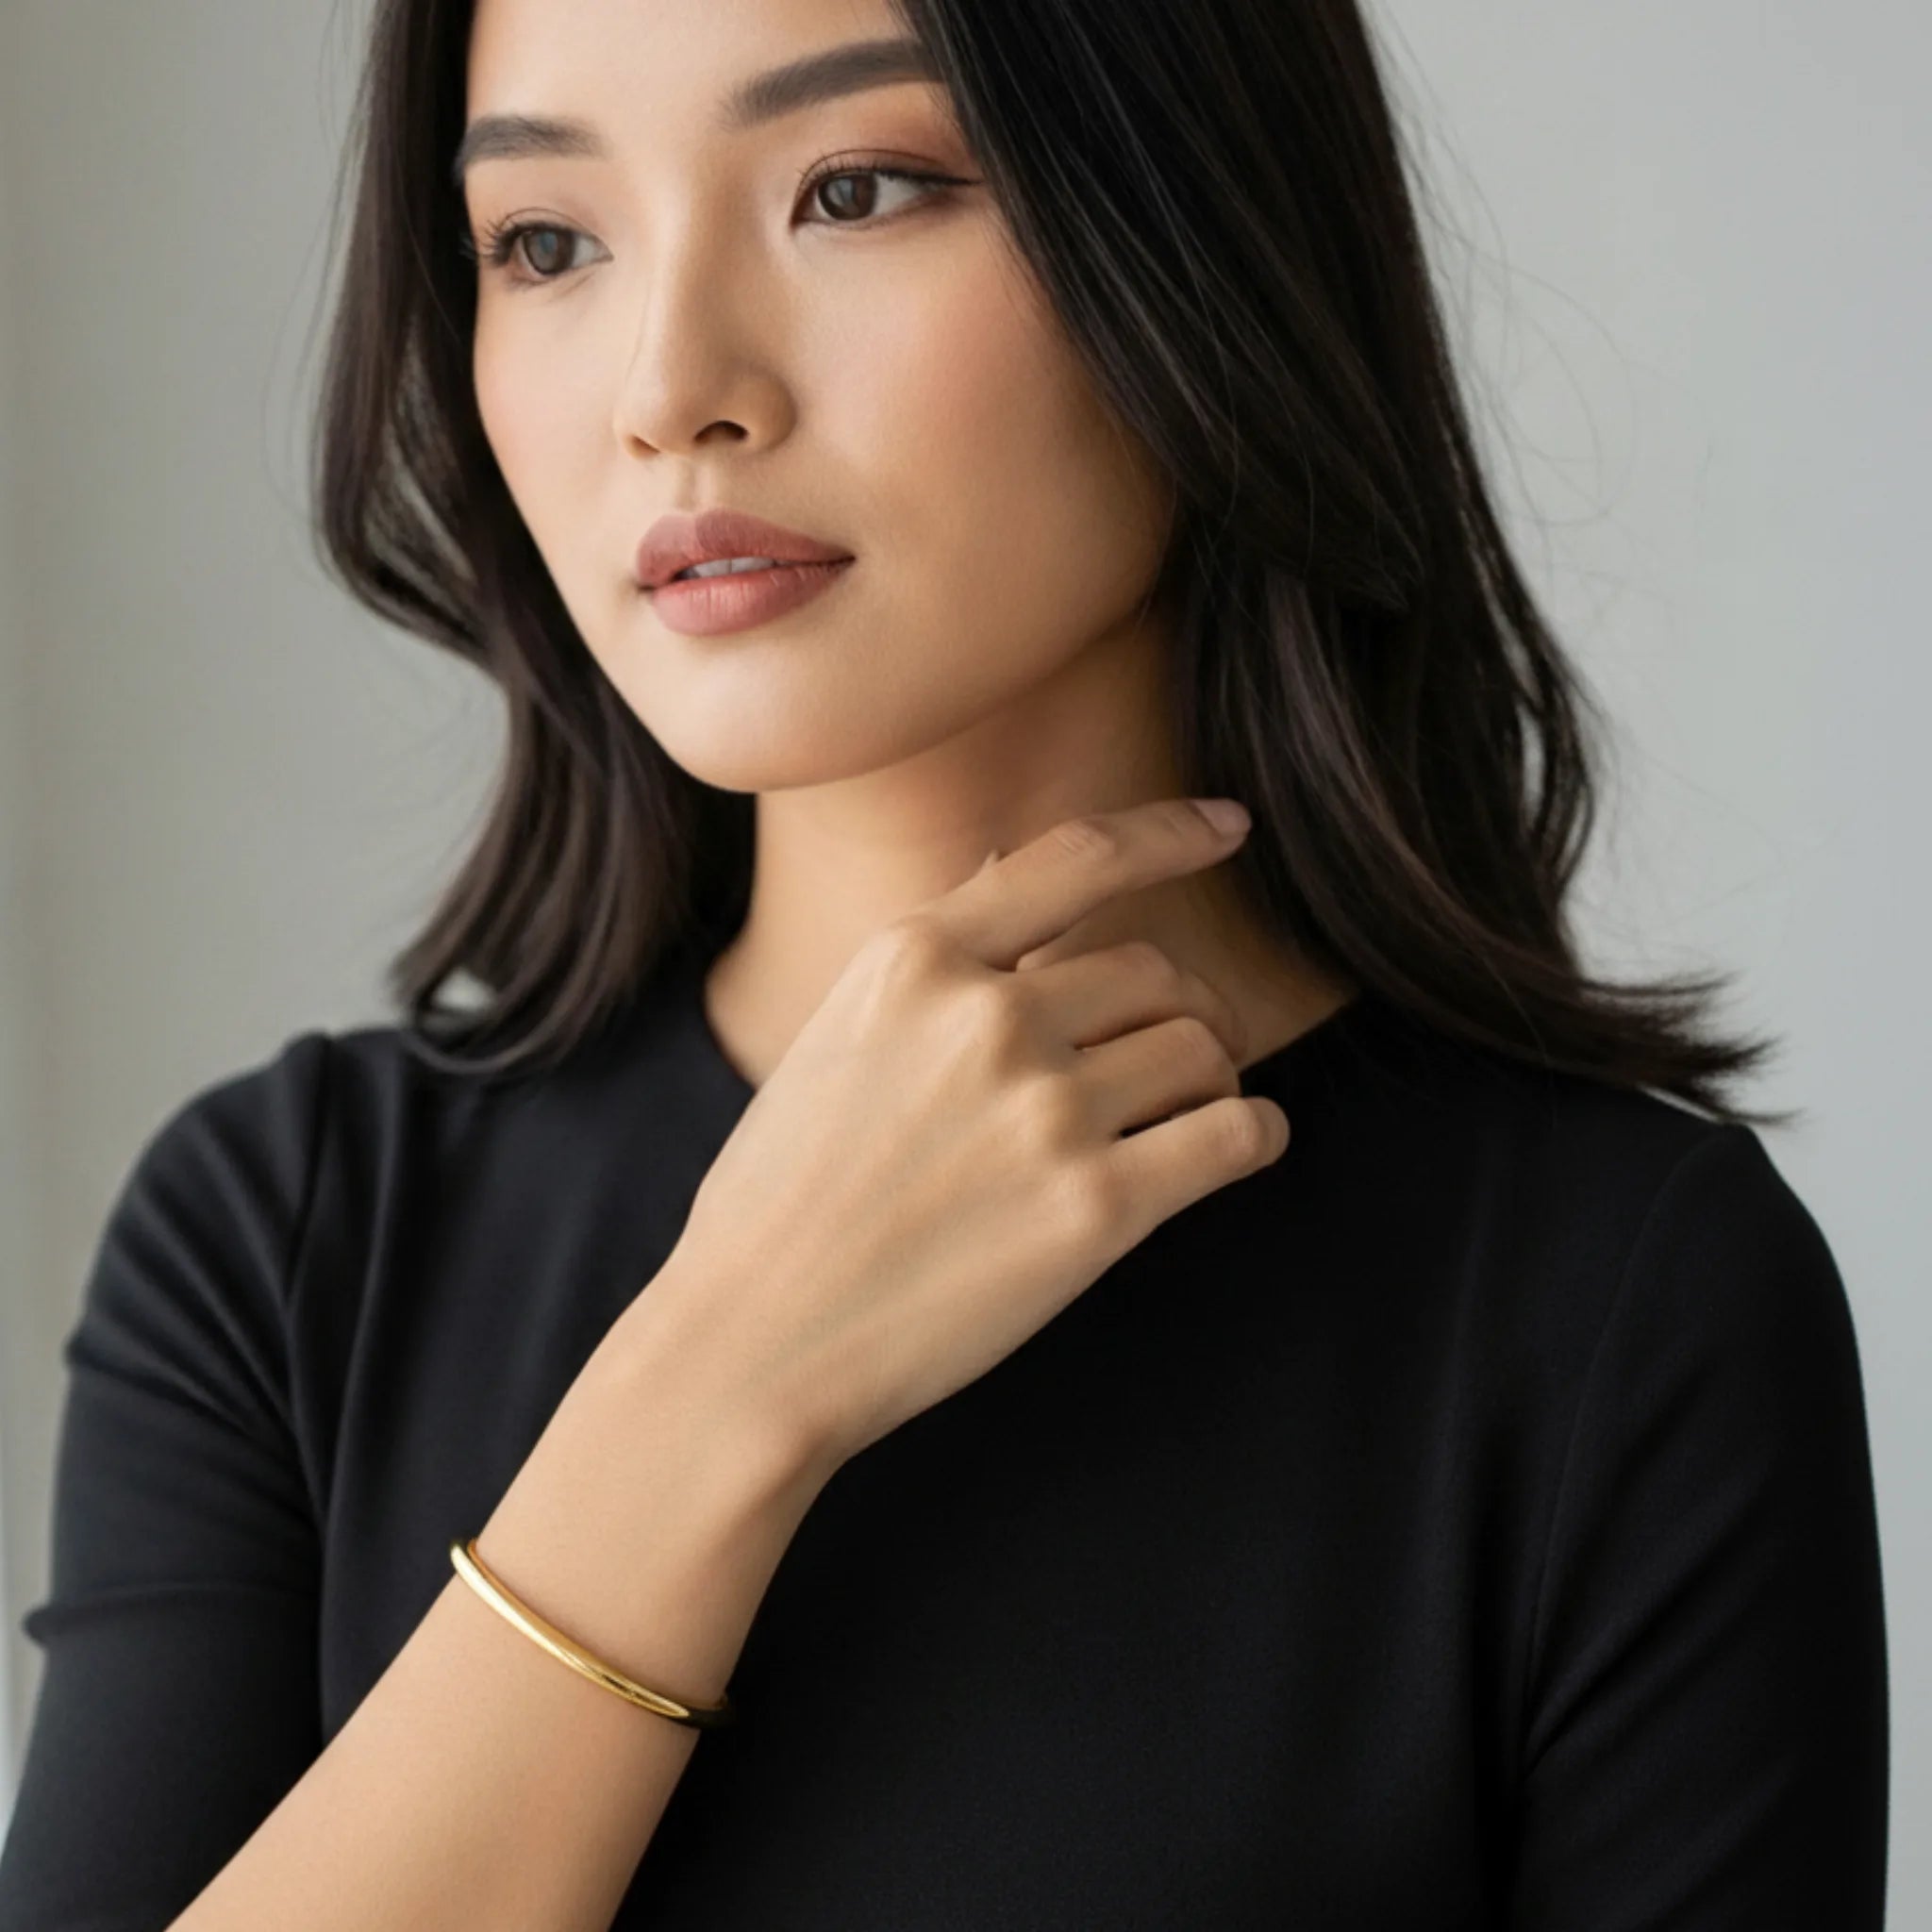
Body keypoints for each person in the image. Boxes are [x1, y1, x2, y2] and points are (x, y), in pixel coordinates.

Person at [0, 0, 1889, 1925]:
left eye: (858, 189)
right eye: (547, 241)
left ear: (1202, 230)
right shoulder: (284, 1239)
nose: (671, 387)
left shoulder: (1619, 1304)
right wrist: (727, 1377)